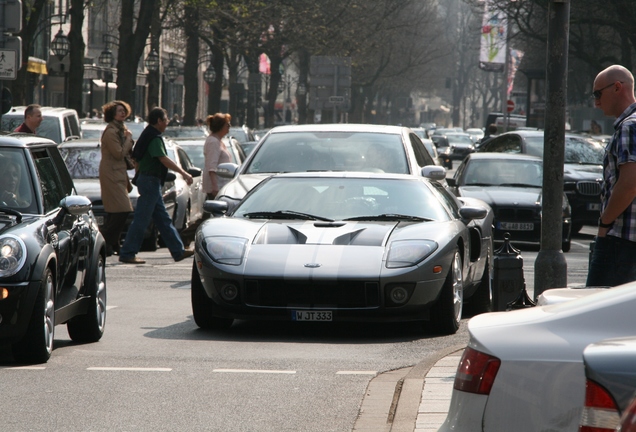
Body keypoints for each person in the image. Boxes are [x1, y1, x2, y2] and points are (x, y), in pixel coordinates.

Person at [118, 107, 194, 264]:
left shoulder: (146, 135)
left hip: (148, 180)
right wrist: (184, 173)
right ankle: (128, 252)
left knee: (163, 219)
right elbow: (163, 158)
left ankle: (177, 251)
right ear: (158, 121)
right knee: (141, 218)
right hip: (150, 181)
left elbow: (136, 159)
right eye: (165, 120)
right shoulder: (154, 138)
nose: (166, 123)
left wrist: (141, 175)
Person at [586, 64, 636, 287]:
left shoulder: (629, 127)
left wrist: (604, 224)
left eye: (598, 93)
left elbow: (630, 184)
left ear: (617, 87)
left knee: (595, 310)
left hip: (621, 240)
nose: (596, 101)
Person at [99, 100, 135, 256]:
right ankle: (105, 240)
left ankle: (113, 244)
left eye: (123, 110)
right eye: (119, 110)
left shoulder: (121, 129)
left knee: (116, 212)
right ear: (112, 114)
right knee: (123, 210)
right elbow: (119, 153)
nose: (122, 113)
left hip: (119, 173)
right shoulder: (111, 132)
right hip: (111, 173)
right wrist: (128, 139)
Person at [203, 113, 232, 200]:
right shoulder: (213, 142)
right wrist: (215, 187)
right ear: (220, 126)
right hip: (217, 187)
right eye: (227, 124)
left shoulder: (218, 141)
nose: (229, 126)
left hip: (222, 185)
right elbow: (212, 166)